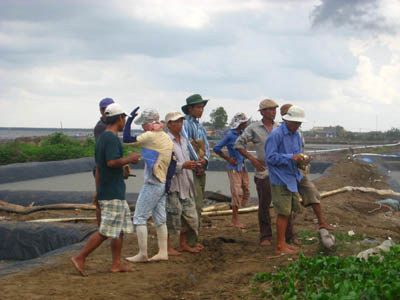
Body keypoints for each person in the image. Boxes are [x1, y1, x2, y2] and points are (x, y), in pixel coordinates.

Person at [72, 103, 139, 276]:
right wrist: (130, 159)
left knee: (119, 230)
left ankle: (116, 263)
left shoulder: (102, 138)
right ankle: (80, 257)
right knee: (106, 230)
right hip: (112, 192)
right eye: (124, 118)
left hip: (109, 189)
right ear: (120, 118)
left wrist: (98, 190)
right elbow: (111, 162)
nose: (125, 121)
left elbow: (100, 167)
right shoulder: (110, 139)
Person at [234, 99, 299, 246]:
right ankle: (266, 236)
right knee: (264, 205)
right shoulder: (254, 128)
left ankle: (290, 235)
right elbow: (238, 143)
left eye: (275, 109)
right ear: (262, 112)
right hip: (264, 172)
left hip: (281, 172)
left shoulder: (280, 127)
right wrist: (253, 159)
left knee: (285, 205)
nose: (273, 112)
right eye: (270, 109)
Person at [123, 108, 174, 262]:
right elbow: (173, 161)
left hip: (153, 182)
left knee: (139, 217)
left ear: (148, 123)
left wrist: (129, 120)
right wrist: (168, 182)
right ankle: (163, 252)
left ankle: (143, 254)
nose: (142, 127)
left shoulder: (150, 136)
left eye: (142, 124)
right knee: (160, 218)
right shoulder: (166, 137)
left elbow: (126, 140)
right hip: (163, 181)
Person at [280, 104, 333, 231]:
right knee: (288, 204)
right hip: (284, 173)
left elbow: (299, 151)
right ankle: (289, 234)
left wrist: (304, 158)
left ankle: (321, 222)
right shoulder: (278, 133)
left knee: (312, 193)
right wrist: (291, 157)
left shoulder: (297, 133)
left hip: (297, 171)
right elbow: (273, 156)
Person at [165, 112, 201, 255]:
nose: (179, 124)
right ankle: (167, 247)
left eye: (181, 121)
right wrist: (182, 166)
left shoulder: (184, 140)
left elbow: (186, 158)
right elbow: (166, 164)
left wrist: (192, 165)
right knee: (172, 216)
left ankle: (183, 244)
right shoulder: (166, 141)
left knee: (189, 216)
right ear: (169, 124)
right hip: (173, 184)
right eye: (176, 122)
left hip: (186, 182)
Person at [181, 94, 210, 249]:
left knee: (198, 205)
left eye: (202, 107)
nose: (201, 110)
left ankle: (194, 239)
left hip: (199, 167)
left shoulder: (200, 127)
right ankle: (189, 241)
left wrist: (205, 159)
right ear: (190, 109)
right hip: (191, 168)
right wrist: (199, 162)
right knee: (193, 205)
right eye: (198, 107)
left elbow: (206, 146)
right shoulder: (185, 125)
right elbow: (188, 146)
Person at [213, 113, 250, 229]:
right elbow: (216, 148)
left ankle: (238, 211)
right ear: (240, 124)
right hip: (234, 167)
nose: (247, 124)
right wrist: (229, 159)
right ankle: (235, 219)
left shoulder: (243, 134)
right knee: (237, 191)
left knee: (246, 190)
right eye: (245, 122)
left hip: (242, 166)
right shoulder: (230, 135)